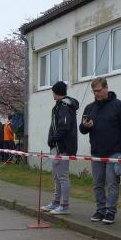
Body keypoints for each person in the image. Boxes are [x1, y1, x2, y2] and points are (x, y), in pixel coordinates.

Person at [79, 77, 121, 225]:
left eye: (98, 90)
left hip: (114, 152)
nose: (96, 94)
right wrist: (85, 126)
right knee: (97, 183)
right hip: (96, 152)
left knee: (112, 184)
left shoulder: (119, 106)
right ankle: (100, 210)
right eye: (94, 91)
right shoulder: (90, 108)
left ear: (106, 88)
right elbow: (82, 129)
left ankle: (110, 212)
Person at [42, 81, 79, 215]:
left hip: (61, 147)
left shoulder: (64, 107)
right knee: (57, 177)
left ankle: (65, 205)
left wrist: (53, 139)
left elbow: (64, 127)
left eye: (53, 92)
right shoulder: (59, 106)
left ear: (56, 93)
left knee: (62, 177)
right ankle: (56, 202)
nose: (52, 94)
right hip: (57, 147)